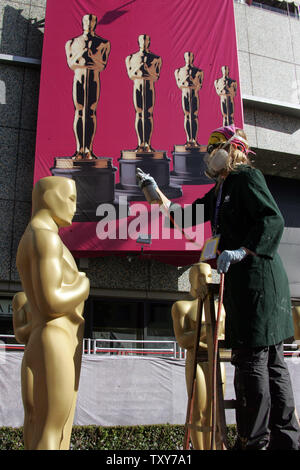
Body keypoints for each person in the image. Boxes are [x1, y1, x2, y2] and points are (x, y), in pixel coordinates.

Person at [137, 125, 300, 450]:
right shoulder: (222, 189)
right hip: (251, 281)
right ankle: (286, 441)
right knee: (270, 361)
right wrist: (157, 196)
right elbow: (189, 217)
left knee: (252, 359)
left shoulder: (245, 178)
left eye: (214, 147)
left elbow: (273, 220)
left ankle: (253, 441)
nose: (210, 154)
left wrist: (243, 250)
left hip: (258, 279)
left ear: (231, 148)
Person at [13, 176, 90, 450]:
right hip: (56, 339)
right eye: (70, 199)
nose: (74, 207)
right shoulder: (45, 239)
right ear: (49, 197)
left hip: (43, 338)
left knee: (37, 424)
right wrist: (83, 284)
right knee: (51, 429)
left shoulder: (33, 237)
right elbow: (51, 302)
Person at [171, 262, 226, 450]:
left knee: (216, 410)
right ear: (192, 279)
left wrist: (204, 334)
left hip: (216, 360)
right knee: (198, 410)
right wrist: (206, 330)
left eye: (210, 276)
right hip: (197, 360)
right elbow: (182, 340)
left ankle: (217, 446)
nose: (206, 281)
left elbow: (224, 336)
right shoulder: (182, 307)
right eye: (201, 276)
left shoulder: (220, 307)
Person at [65, 14, 111, 160]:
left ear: (95, 23)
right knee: (79, 110)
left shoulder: (103, 43)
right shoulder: (72, 42)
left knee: (90, 110)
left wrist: (90, 56)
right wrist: (83, 56)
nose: (88, 23)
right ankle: (79, 149)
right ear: (82, 22)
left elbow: (103, 64)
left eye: (91, 21)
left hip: (93, 76)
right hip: (78, 76)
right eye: (86, 21)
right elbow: (71, 63)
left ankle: (89, 149)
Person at [125, 34, 162, 152]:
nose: (144, 43)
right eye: (142, 40)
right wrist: (140, 68)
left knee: (149, 114)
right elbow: (131, 75)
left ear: (149, 42)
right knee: (139, 113)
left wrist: (145, 69)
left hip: (149, 86)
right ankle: (141, 143)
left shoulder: (156, 58)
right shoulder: (131, 58)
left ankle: (148, 144)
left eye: (146, 41)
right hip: (137, 86)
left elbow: (156, 76)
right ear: (138, 42)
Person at [174, 52, 204, 149]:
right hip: (185, 92)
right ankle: (188, 139)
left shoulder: (199, 71)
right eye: (187, 57)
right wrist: (186, 80)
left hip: (194, 93)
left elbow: (200, 85)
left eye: (190, 57)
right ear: (185, 58)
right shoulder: (179, 71)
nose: (189, 58)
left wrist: (192, 81)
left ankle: (194, 139)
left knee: (194, 115)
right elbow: (179, 84)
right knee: (187, 115)